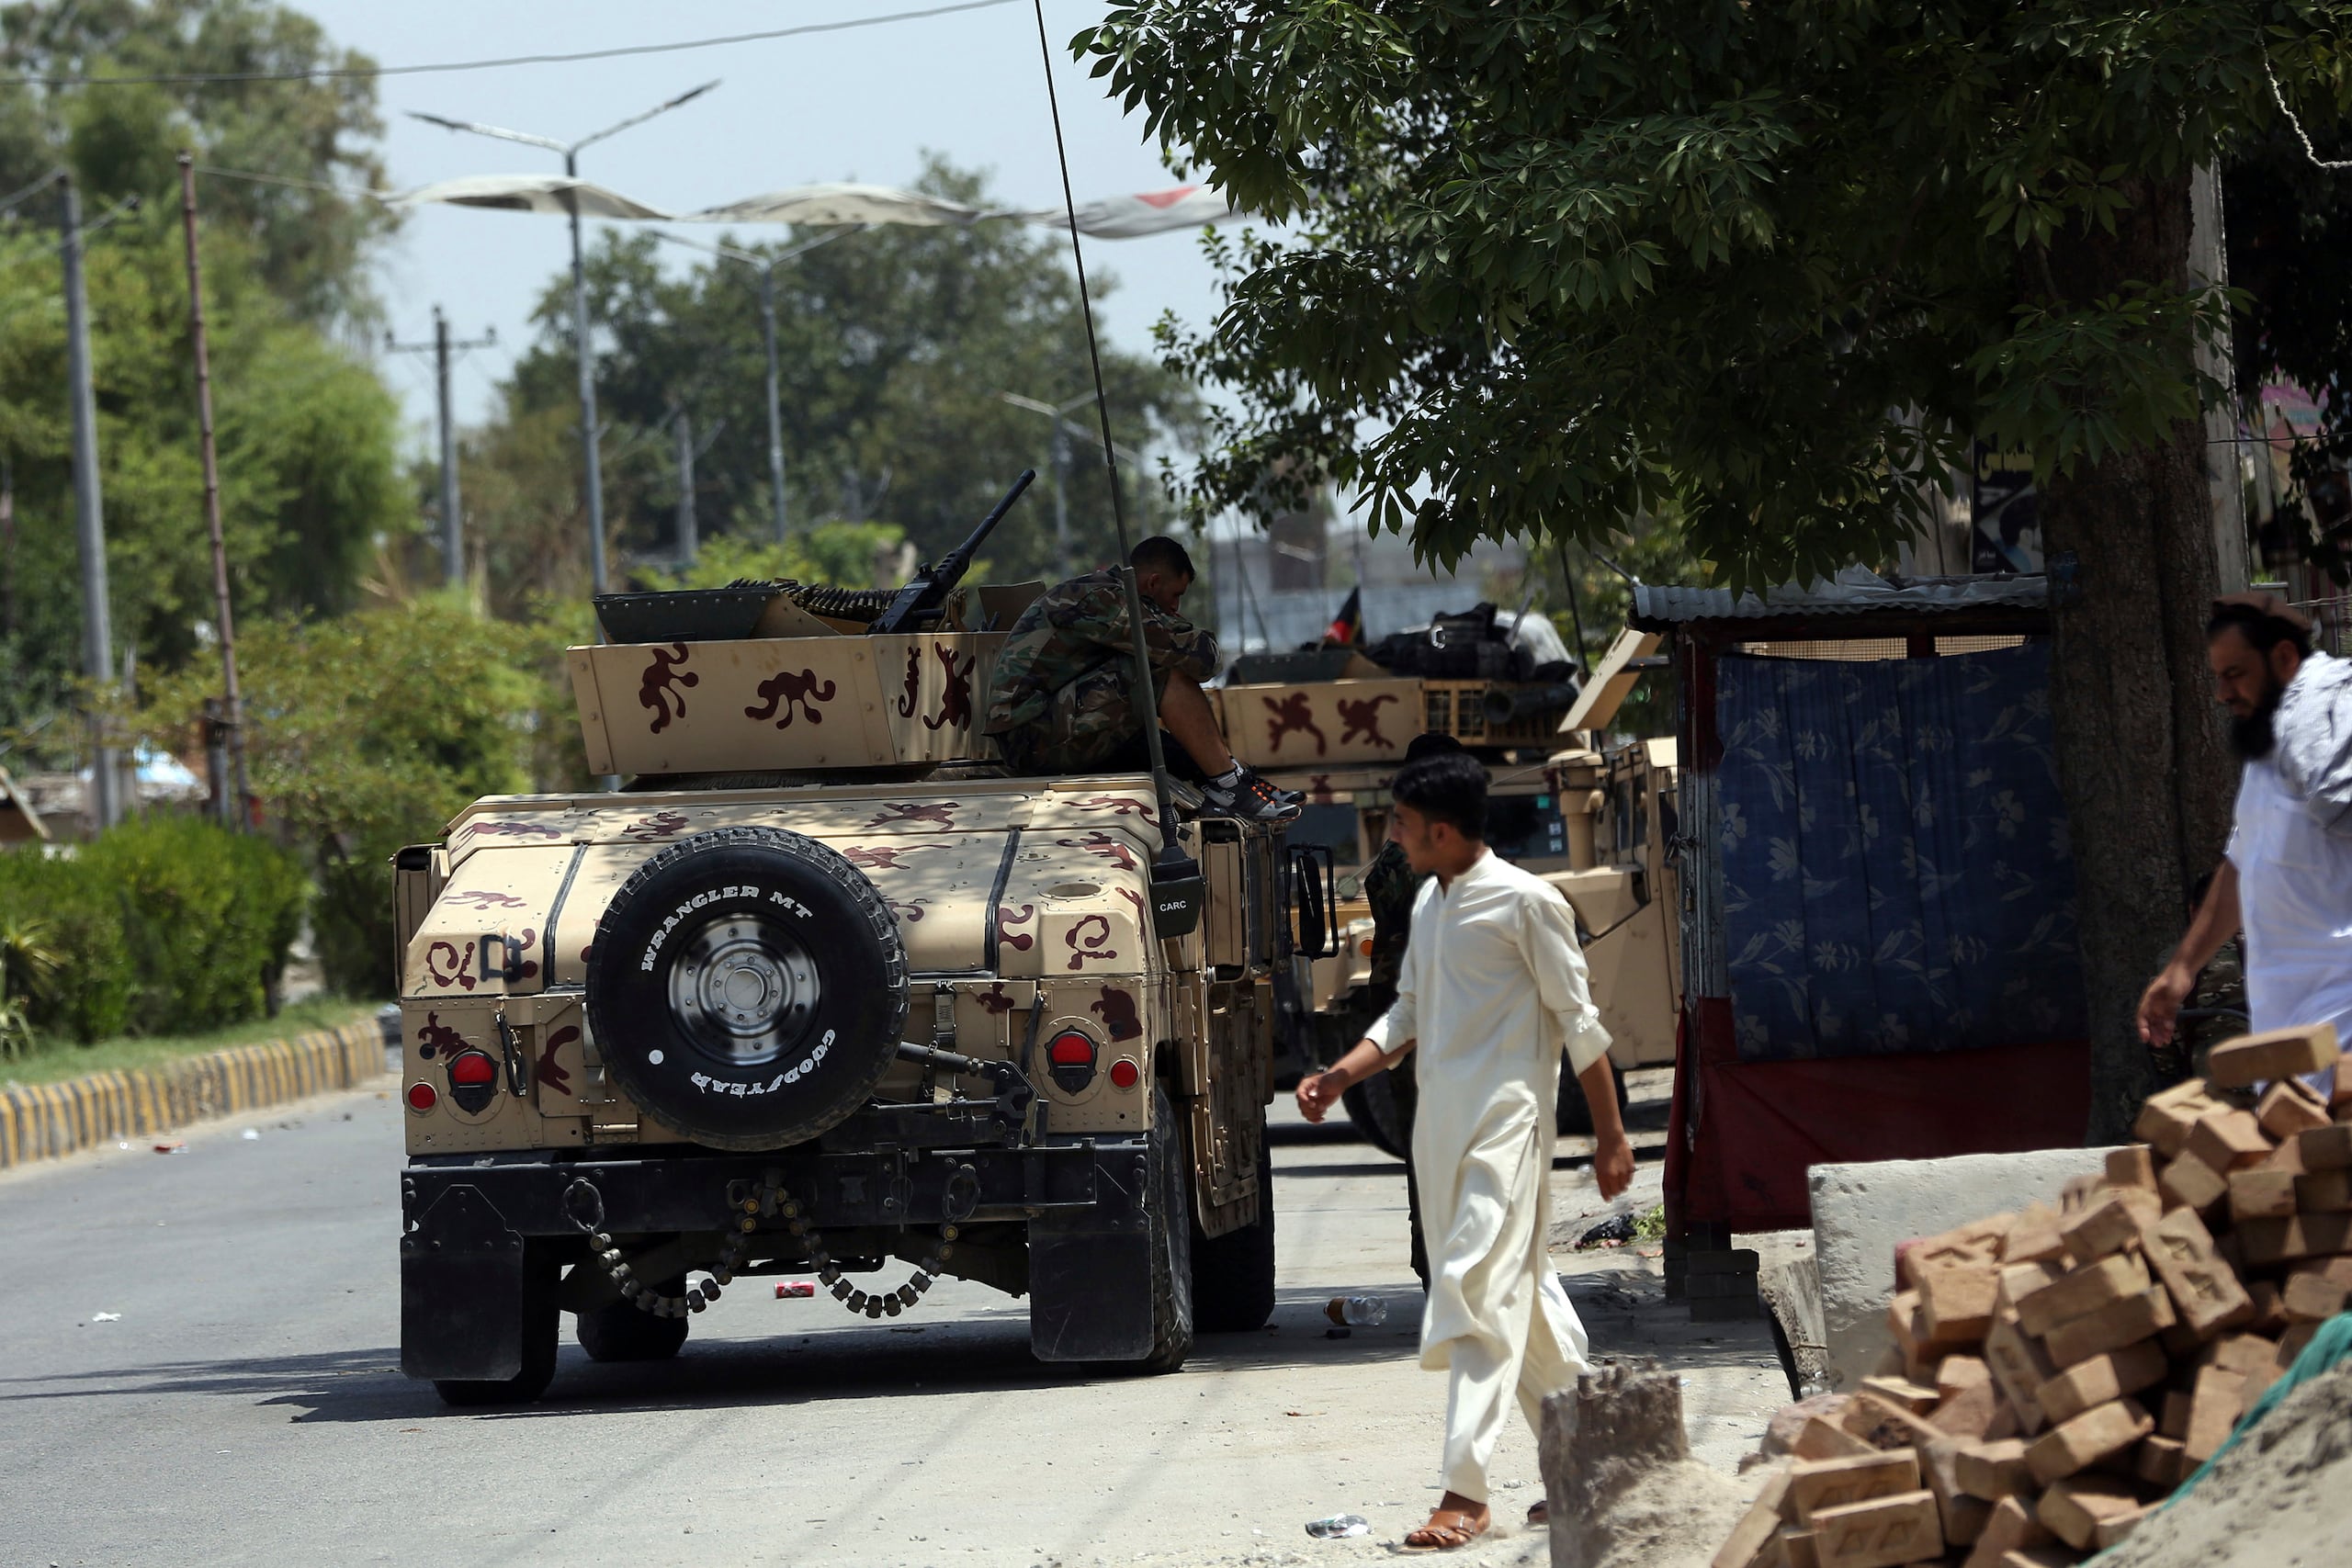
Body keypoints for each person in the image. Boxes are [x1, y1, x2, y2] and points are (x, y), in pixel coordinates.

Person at [1295, 750, 1634, 1551]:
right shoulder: (1431, 908)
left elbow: (1583, 1029)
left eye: (1403, 826)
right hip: (1440, 1137)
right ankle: (1595, 1462)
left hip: (1510, 1129)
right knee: (1528, 1302)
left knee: (1473, 1290)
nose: (1394, 837)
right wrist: (1339, 1075)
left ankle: (1466, 1491)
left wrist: (1612, 1136)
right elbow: (1407, 1014)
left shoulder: (1529, 903)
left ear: (1442, 831)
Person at [2138, 592, 2352, 1094]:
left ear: (2282, 658)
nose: (2222, 693)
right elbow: (2243, 864)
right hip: (2288, 1029)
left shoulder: (2332, 712)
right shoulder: (2270, 742)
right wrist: (2182, 970)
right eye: (2218, 677)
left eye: (2235, 674)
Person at [984, 536, 1299, 822]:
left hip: (1047, 727)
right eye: (1175, 595)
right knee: (1161, 669)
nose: (1176, 606)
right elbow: (1204, 659)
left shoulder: (1102, 594)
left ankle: (1231, 780)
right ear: (1152, 582)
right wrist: (1174, 628)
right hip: (1031, 735)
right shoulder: (1104, 601)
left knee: (1161, 742)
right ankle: (1229, 785)